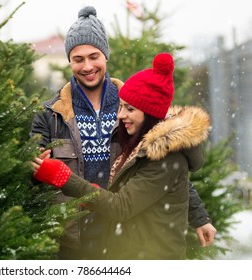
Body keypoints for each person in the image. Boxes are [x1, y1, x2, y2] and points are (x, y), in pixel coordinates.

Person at [30, 6, 216, 259]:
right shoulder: (50, 115)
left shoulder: (136, 106)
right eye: (78, 59)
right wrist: (38, 167)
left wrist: (198, 216)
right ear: (69, 62)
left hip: (121, 229)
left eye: (94, 56)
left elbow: (163, 158)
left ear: (105, 55)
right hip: (72, 236)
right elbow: (33, 169)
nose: (87, 66)